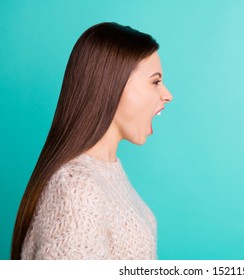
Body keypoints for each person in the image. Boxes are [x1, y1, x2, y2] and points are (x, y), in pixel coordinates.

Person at [11, 22, 173, 260]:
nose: (167, 94)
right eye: (155, 81)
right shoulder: (77, 188)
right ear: (112, 84)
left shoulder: (105, 172)